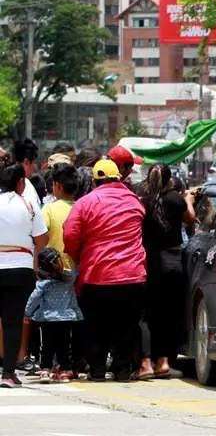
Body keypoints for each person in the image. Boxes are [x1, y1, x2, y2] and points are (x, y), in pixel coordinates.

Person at [63, 160, 151, 381]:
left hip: (96, 275)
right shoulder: (135, 201)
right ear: (118, 178)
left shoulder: (85, 203)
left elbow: (70, 235)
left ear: (95, 181)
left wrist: (77, 257)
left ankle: (98, 369)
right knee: (126, 326)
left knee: (95, 326)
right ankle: (122, 369)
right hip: (132, 275)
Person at [141, 164, 196, 378]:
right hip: (173, 261)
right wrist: (189, 200)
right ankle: (163, 362)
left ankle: (146, 361)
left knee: (149, 313)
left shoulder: (144, 200)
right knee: (170, 313)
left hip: (150, 261)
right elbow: (190, 218)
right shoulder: (175, 198)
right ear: (169, 179)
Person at [0, 163, 49, 388]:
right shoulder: (29, 204)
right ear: (20, 183)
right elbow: (42, 240)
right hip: (20, 269)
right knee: (12, 323)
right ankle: (9, 373)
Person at [23, 247, 83, 384]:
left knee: (47, 344)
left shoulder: (43, 283)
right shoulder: (69, 278)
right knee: (64, 344)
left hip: (47, 317)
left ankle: (45, 370)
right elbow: (78, 270)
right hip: (66, 316)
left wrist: (27, 313)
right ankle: (64, 371)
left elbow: (34, 298)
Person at [43, 164, 78, 274]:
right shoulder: (82, 207)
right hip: (78, 270)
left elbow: (40, 236)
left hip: (56, 269)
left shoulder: (49, 208)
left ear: (58, 186)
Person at [12, 138, 42, 209]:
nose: (35, 167)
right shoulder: (26, 186)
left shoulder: (5, 181)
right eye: (34, 162)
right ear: (26, 162)